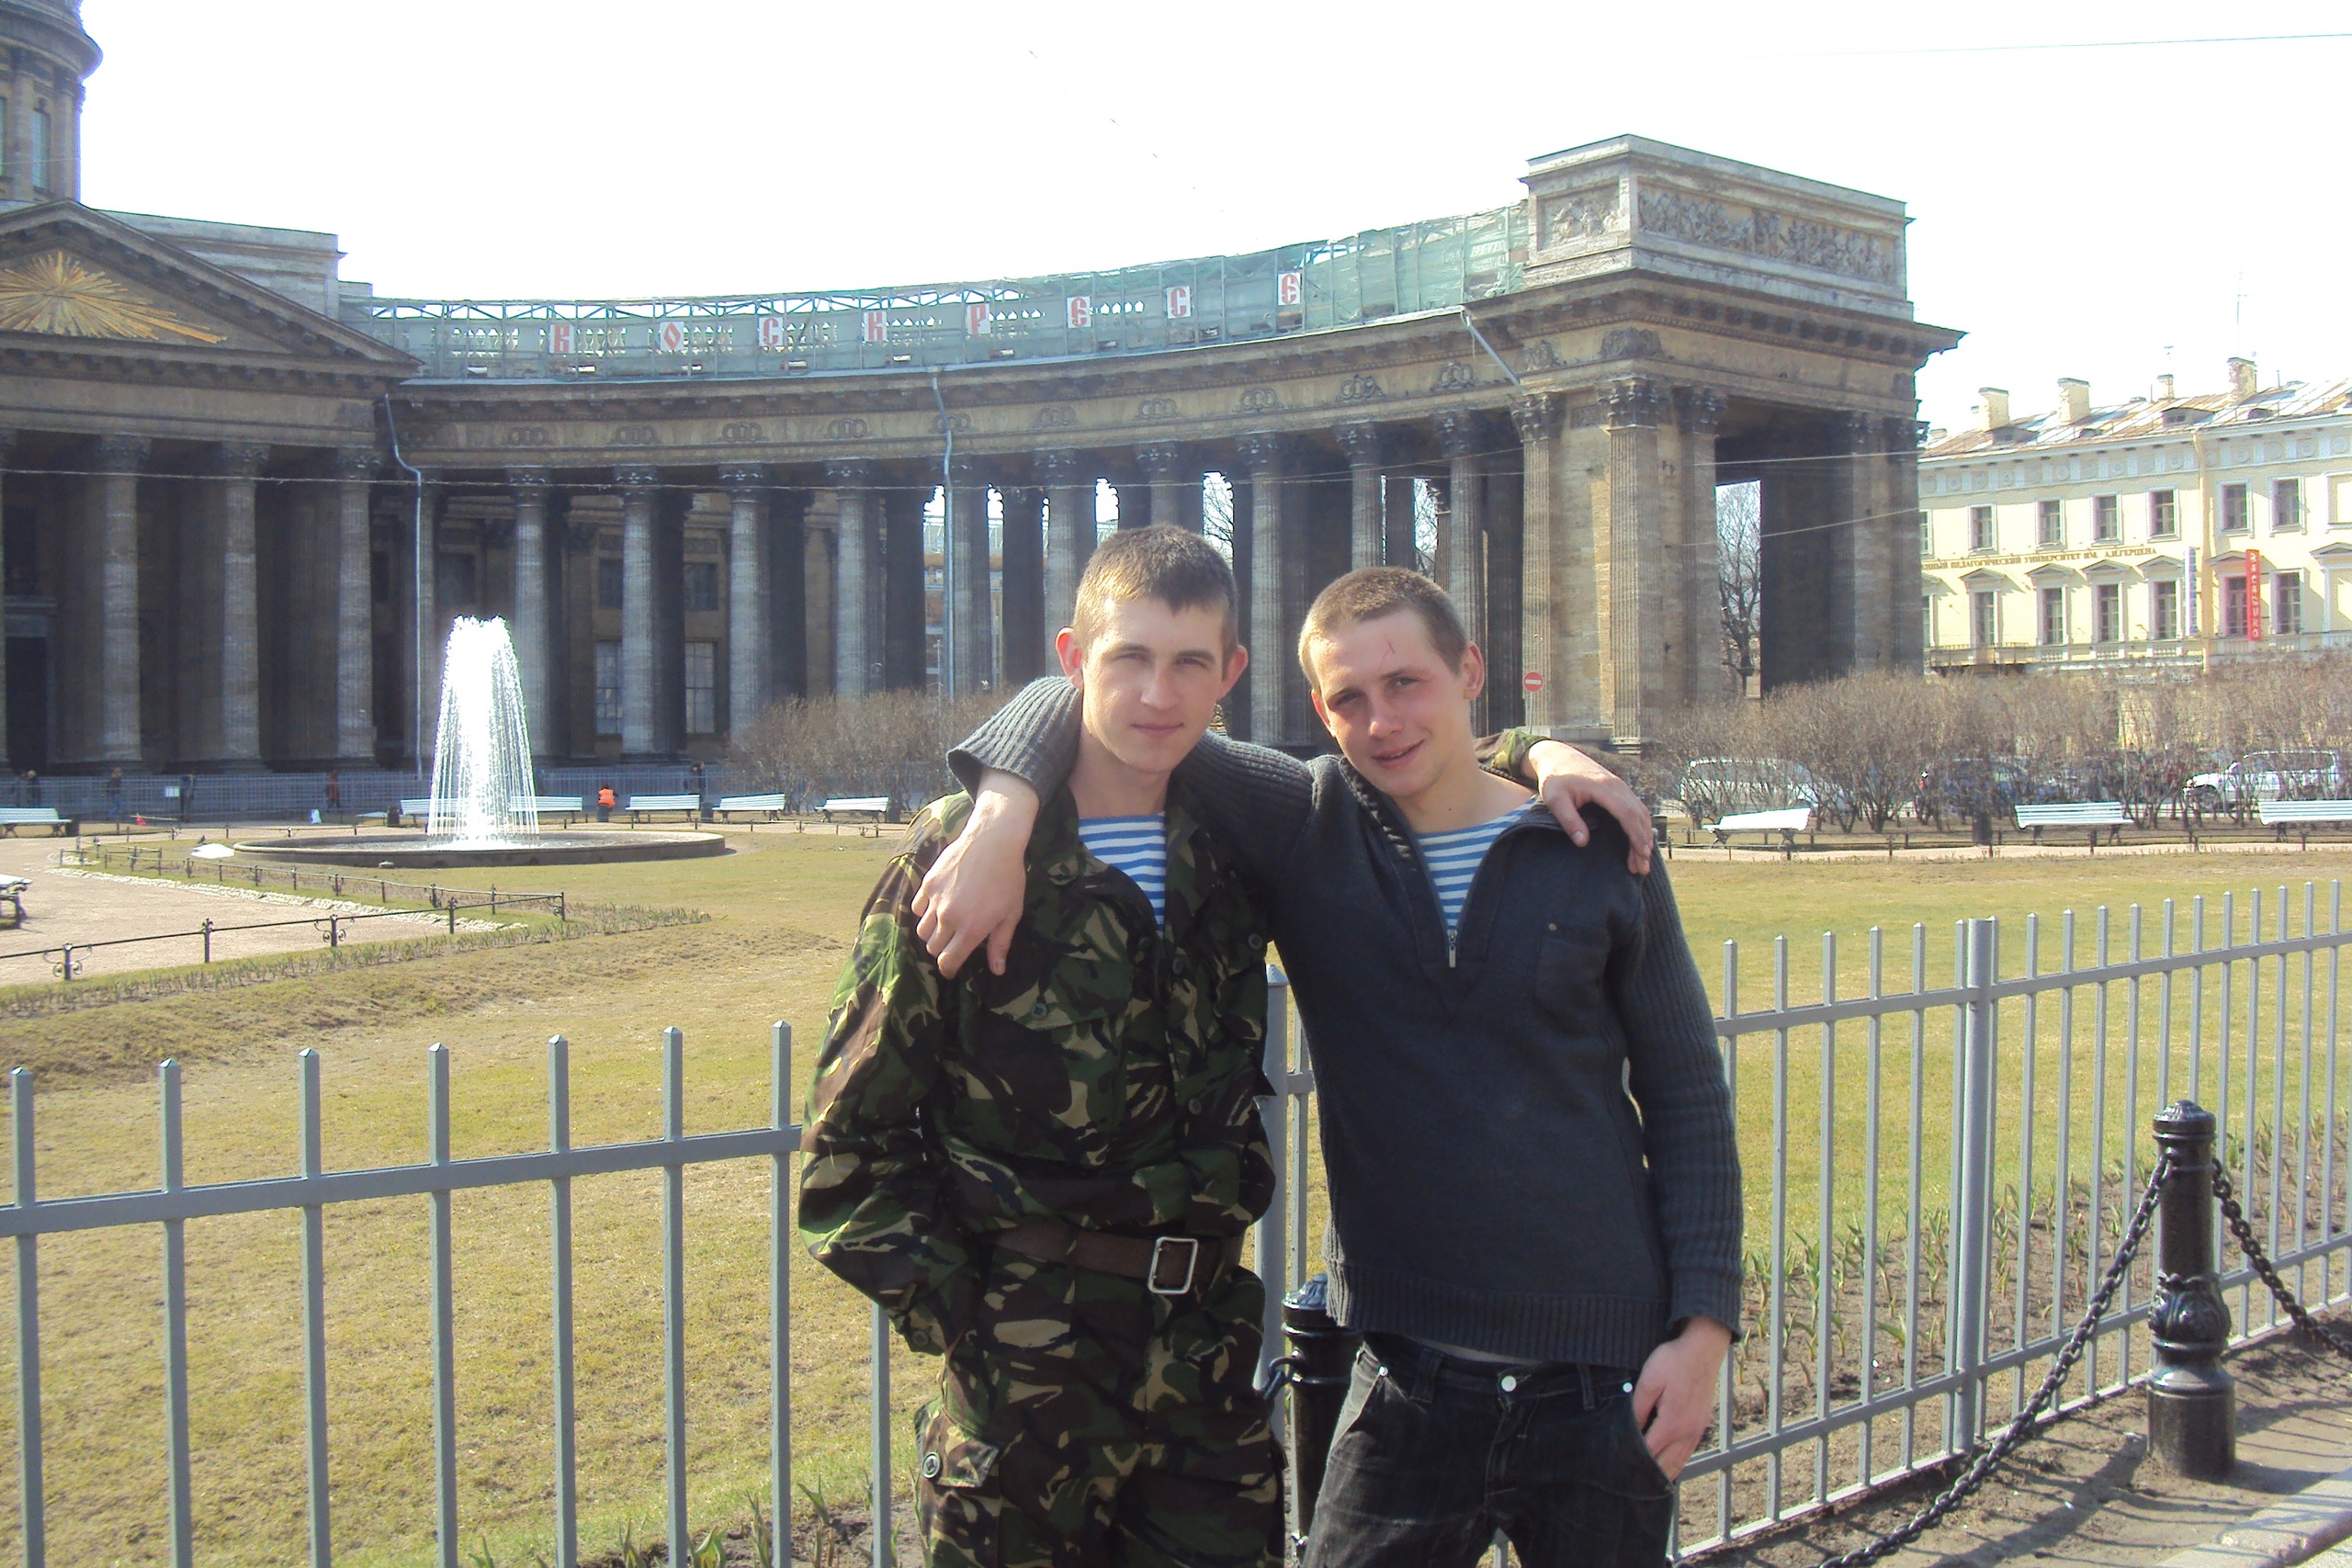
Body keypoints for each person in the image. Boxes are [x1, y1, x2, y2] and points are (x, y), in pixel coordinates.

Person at [923, 567, 1737, 1568]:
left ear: (1470, 670)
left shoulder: (1595, 842)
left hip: (1604, 1376)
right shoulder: (1307, 822)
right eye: (1348, 697)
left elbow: (1687, 1096)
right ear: (1317, 709)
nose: (1382, 721)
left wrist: (1704, 1331)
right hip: (1406, 1376)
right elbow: (1102, 695)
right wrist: (1002, 811)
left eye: (1406, 683)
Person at [800, 527, 1286, 1568]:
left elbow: (1406, 774)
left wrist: (1539, 752)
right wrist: (975, 1319)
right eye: (1129, 657)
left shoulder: (1238, 848)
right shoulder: (959, 855)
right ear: (1072, 658)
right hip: (1024, 1386)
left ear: (1230, 674)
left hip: (1206, 1370)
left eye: (1189, 663)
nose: (1157, 693)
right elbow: (848, 1149)